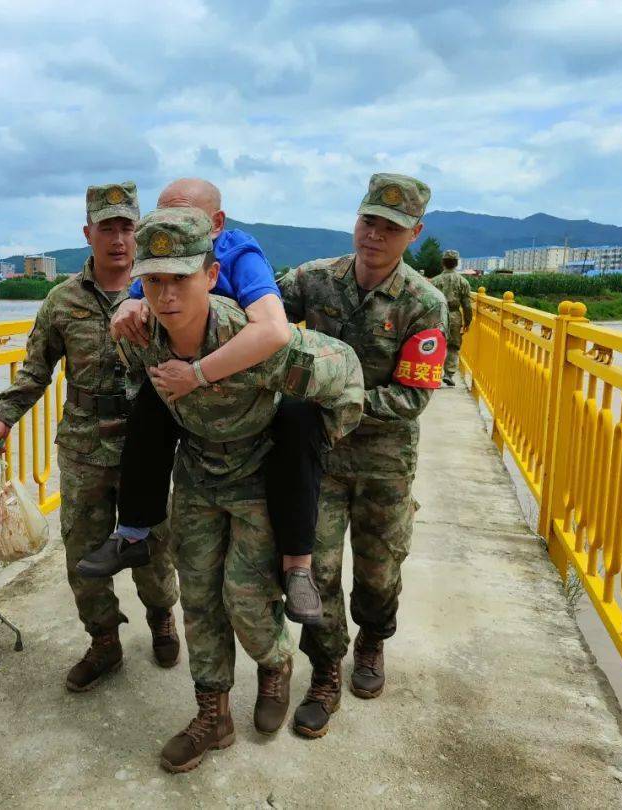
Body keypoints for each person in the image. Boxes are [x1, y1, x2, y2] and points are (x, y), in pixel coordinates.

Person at [119, 206, 364, 772]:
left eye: (180, 278)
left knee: (246, 598)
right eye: (153, 280)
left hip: (258, 474)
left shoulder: (262, 345)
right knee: (199, 597)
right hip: (200, 474)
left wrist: (313, 440)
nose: (166, 295)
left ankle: (275, 666)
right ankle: (214, 714)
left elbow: (346, 376)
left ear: (209, 276)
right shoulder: (140, 335)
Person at [79, 178, 326, 625]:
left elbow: (273, 329)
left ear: (216, 225)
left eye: (183, 218)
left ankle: (298, 566)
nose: (169, 227)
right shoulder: (166, 254)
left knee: (297, 420)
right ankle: (133, 531)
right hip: (191, 380)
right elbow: (139, 295)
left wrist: (197, 376)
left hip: (249, 379)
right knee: (150, 408)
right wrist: (128, 304)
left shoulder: (238, 253)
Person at [0, 182, 181, 692]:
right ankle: (104, 641)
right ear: (88, 233)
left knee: (155, 546)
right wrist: (5, 418)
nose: (118, 239)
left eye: (127, 227)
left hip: (149, 447)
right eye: (107, 228)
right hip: (84, 446)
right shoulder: (62, 301)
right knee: (83, 553)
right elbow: (35, 372)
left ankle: (162, 617)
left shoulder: (165, 292)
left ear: (141, 232)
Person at [278, 173, 449, 738]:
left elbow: (413, 395)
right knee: (315, 570)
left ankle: (372, 642)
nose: (374, 235)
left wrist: (334, 398)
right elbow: (257, 311)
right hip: (320, 459)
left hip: (383, 461)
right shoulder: (313, 280)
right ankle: (325, 671)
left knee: (379, 570)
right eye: (367, 221)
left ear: (414, 233)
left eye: (390, 227)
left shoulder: (425, 303)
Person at [430, 249, 473, 386]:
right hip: (455, 316)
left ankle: (434, 375)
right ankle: (449, 374)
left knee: (435, 345)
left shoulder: (435, 281)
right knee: (453, 346)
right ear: (456, 263)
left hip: (437, 315)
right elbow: (467, 305)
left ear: (443, 262)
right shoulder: (463, 282)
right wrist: (467, 321)